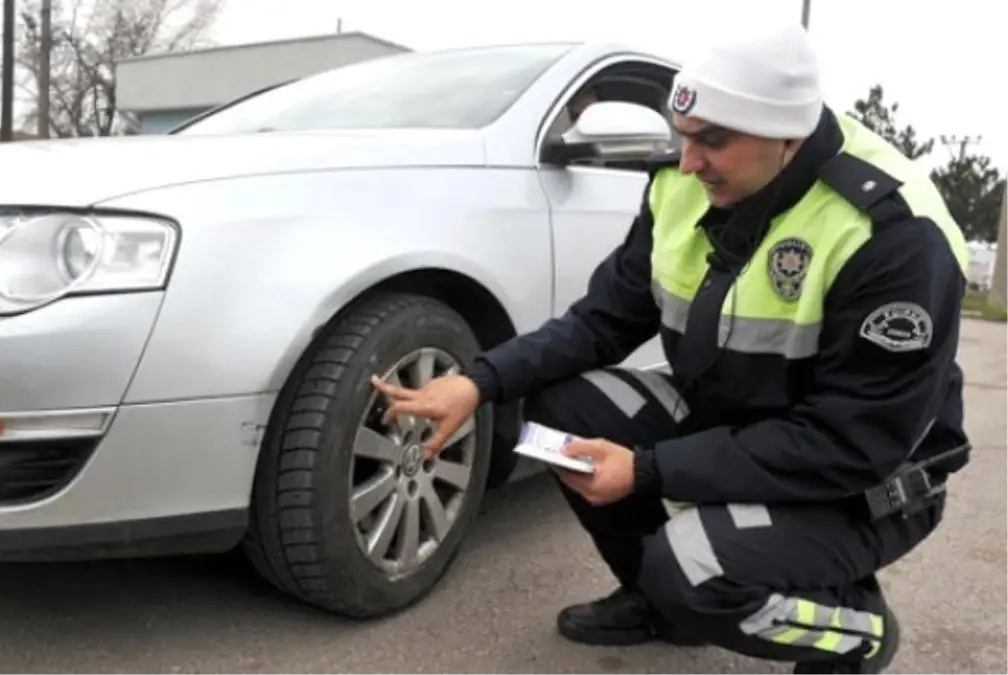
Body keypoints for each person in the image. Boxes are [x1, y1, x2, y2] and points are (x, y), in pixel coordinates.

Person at [371, 22, 971, 675]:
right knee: (556, 411)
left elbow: (852, 444)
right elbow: (600, 322)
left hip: (857, 481)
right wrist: (479, 381)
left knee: (691, 568)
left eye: (713, 140)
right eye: (683, 137)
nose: (689, 161)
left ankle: (853, 631)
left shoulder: (890, 234)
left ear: (788, 139)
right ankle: (658, 604)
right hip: (739, 420)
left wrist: (650, 468)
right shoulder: (682, 184)